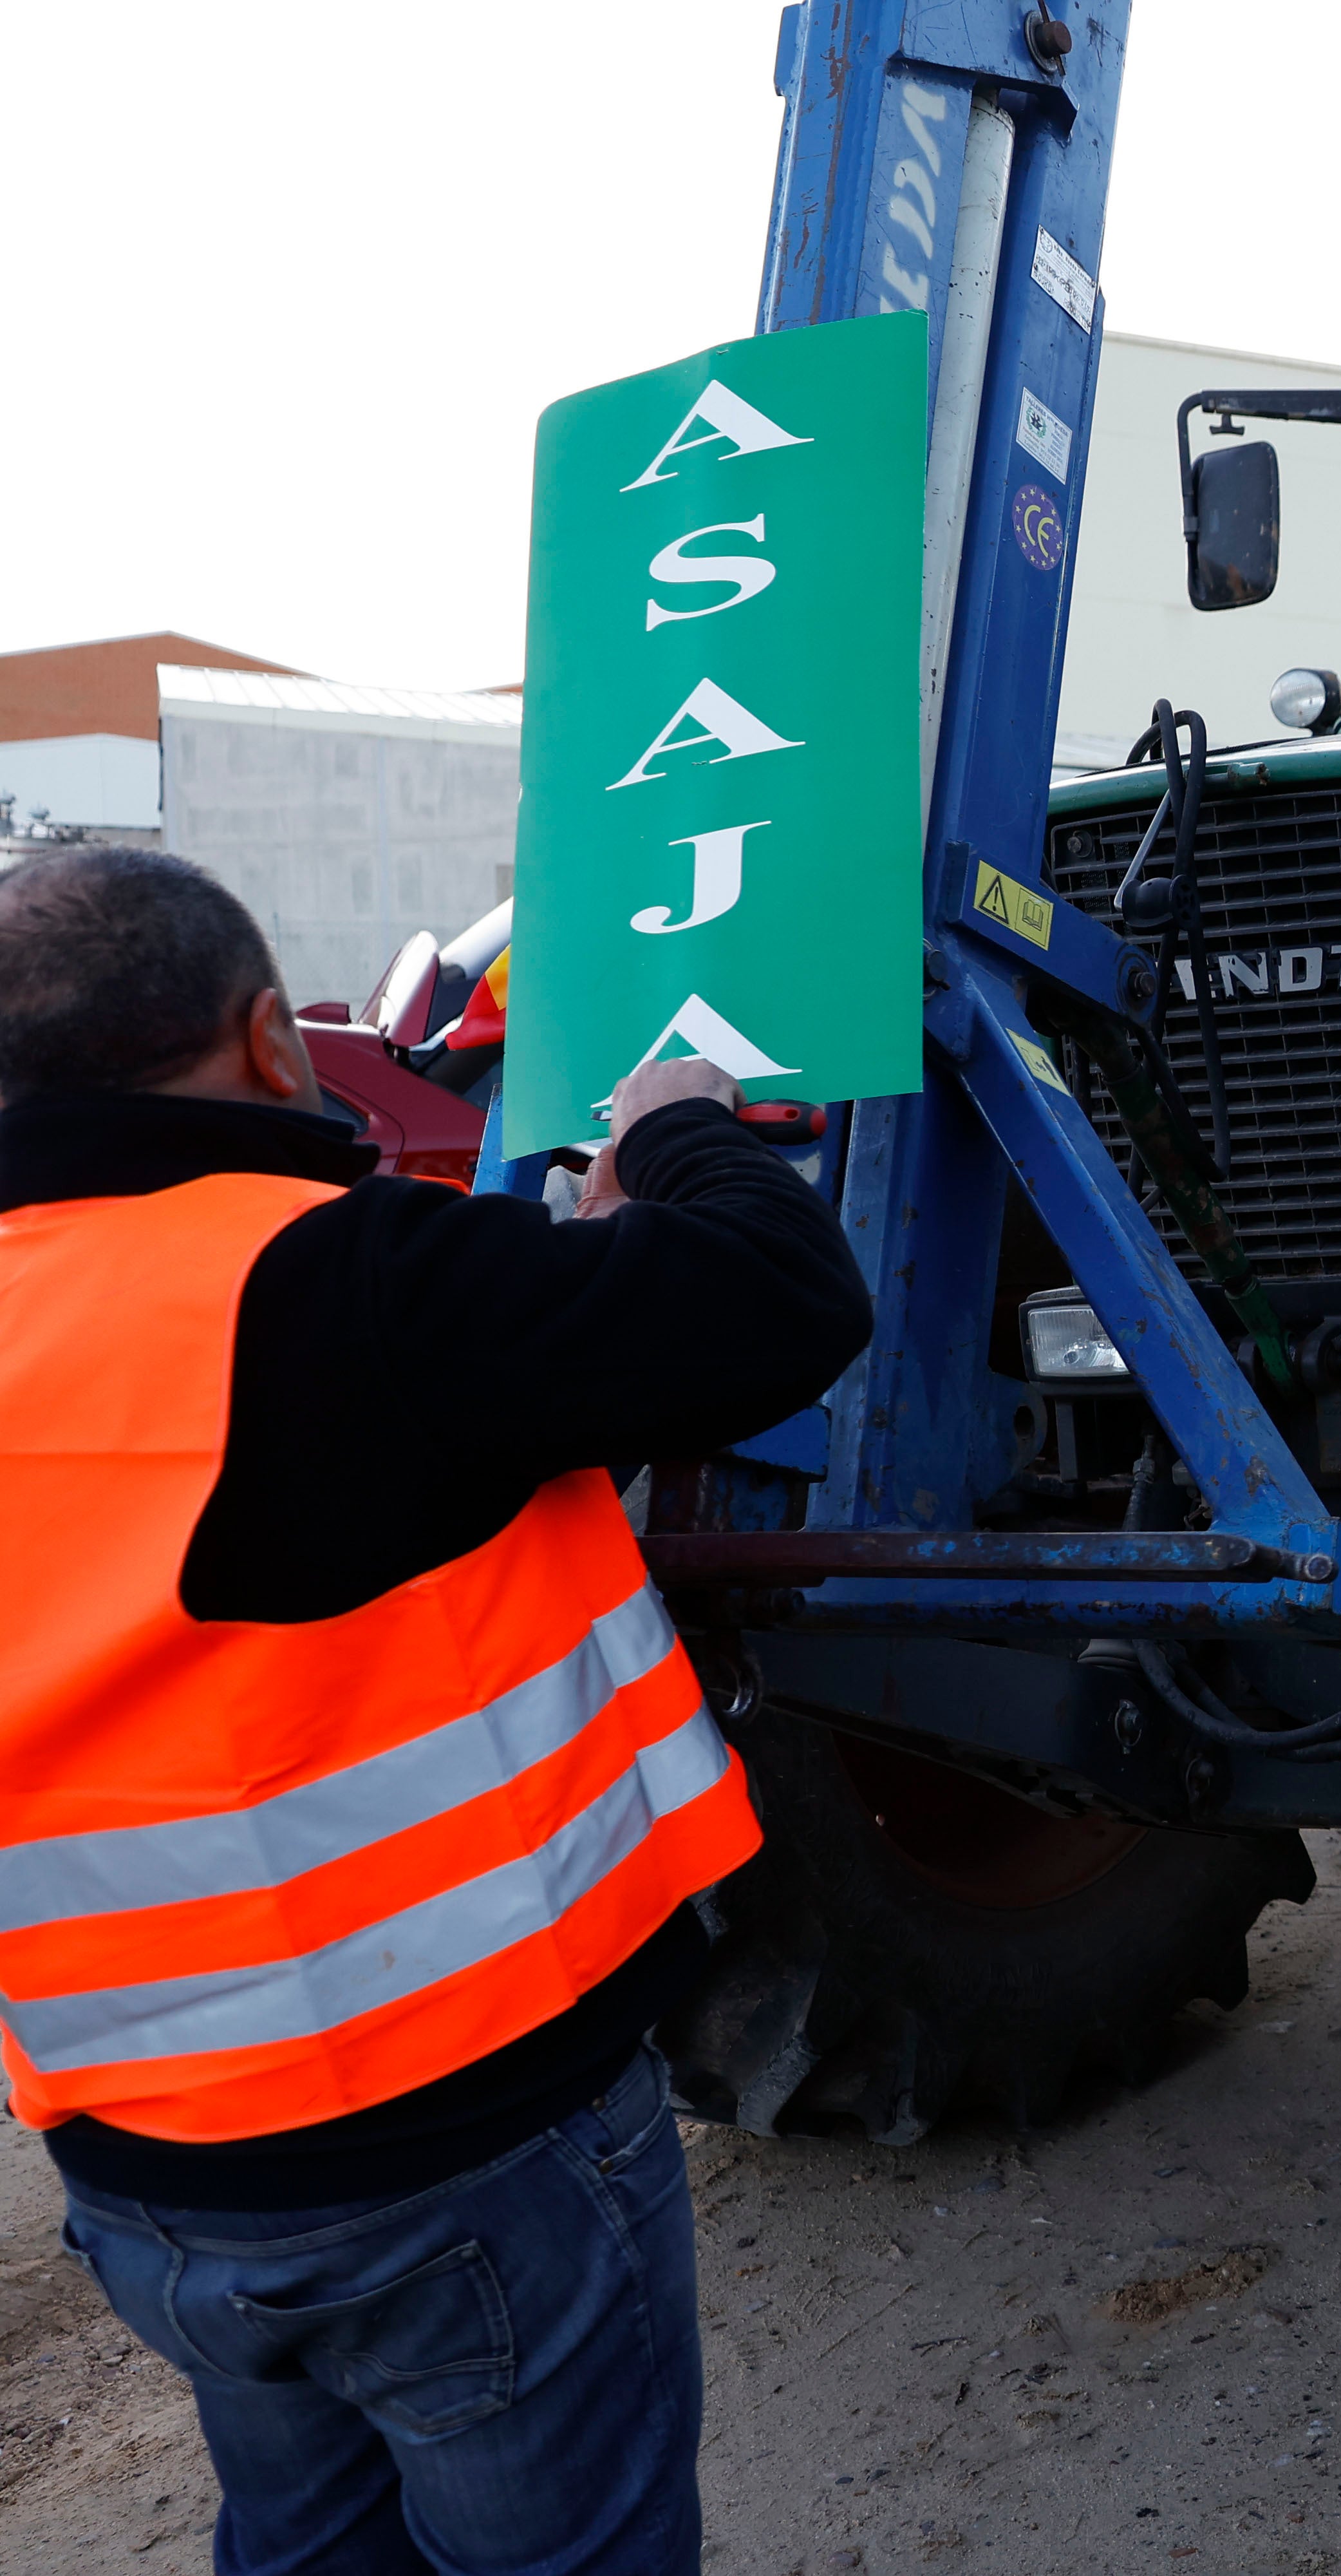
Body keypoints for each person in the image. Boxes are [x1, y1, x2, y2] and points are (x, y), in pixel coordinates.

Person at [0, 848, 874, 2575]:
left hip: (147, 2179)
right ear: (269, 1041)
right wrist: (688, 1123)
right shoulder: (352, 1285)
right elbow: (786, 1300)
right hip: (457, 2152)